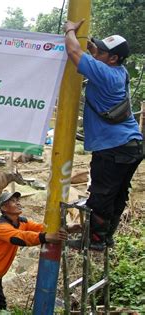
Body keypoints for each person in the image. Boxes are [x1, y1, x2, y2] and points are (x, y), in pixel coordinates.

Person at [64, 20, 143, 250]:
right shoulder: (120, 72)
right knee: (117, 194)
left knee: (101, 195)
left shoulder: (104, 73)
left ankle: (95, 241)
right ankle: (106, 237)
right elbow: (94, 55)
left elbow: (72, 50)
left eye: (102, 51)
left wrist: (69, 30)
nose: (96, 51)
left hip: (113, 147)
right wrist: (94, 50)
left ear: (113, 59)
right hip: (131, 144)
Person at [0, 192, 69, 314]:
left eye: (17, 200)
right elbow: (19, 237)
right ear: (4, 208)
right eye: (13, 201)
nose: (18, 203)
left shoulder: (22, 222)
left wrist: (69, 228)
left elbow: (42, 228)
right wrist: (46, 237)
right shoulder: (0, 227)